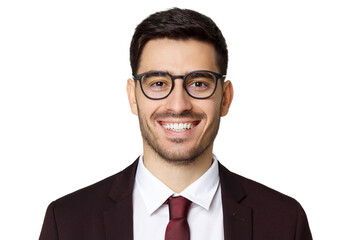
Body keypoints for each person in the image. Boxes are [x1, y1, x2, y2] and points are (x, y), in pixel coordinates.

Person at [39, 8, 312, 240]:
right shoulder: (67, 223)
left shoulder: (285, 222)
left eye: (199, 83)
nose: (179, 104)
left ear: (225, 98)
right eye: (158, 83)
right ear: (133, 98)